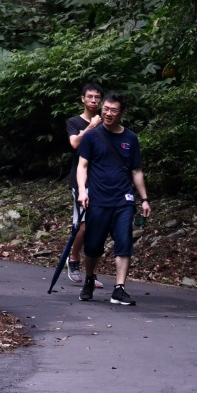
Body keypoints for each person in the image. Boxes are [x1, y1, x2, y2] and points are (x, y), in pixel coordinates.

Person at [76, 91, 150, 307]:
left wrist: (144, 199)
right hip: (98, 199)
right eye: (105, 109)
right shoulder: (92, 136)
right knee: (93, 246)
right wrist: (82, 190)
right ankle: (89, 278)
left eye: (113, 110)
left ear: (122, 113)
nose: (108, 114)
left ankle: (119, 288)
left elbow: (136, 171)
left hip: (123, 200)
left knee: (124, 243)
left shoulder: (130, 138)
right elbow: (83, 165)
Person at [65, 81, 103, 282]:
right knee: (84, 225)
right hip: (79, 179)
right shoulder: (75, 122)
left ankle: (90, 272)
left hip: (100, 180)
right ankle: (73, 258)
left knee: (97, 225)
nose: (94, 100)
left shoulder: (106, 121)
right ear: (83, 99)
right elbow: (74, 144)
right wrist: (91, 126)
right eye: (90, 97)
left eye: (97, 97)